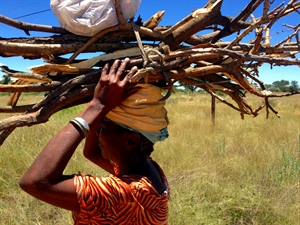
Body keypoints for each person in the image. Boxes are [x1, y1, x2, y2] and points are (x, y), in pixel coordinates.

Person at [19, 58, 170, 225]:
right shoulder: (150, 171)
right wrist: (102, 109)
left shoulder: (122, 196)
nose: (97, 132)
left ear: (131, 141)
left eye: (103, 128)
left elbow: (34, 182)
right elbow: (92, 153)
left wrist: (98, 105)